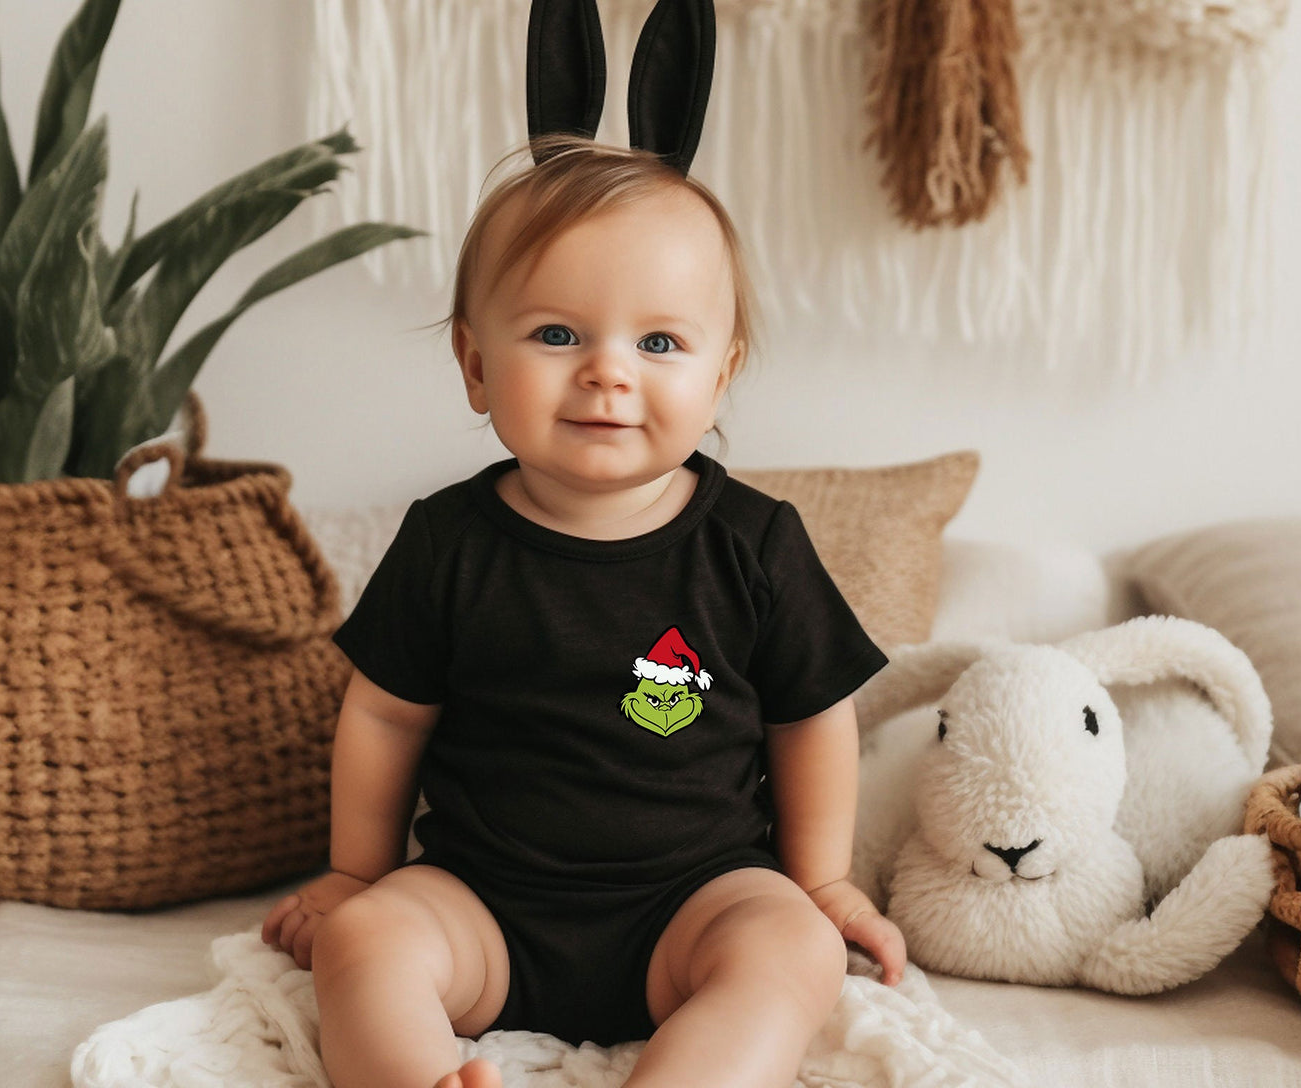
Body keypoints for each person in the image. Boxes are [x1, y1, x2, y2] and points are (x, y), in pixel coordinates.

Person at [263, 134, 906, 1088]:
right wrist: (358, 873)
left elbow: (809, 717)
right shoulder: (447, 542)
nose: (609, 372)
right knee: (362, 939)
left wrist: (820, 883)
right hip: (481, 907)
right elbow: (385, 715)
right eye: (558, 335)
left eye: (658, 343)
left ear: (719, 375)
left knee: (792, 948)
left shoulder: (754, 544)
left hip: (694, 905)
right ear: (474, 364)